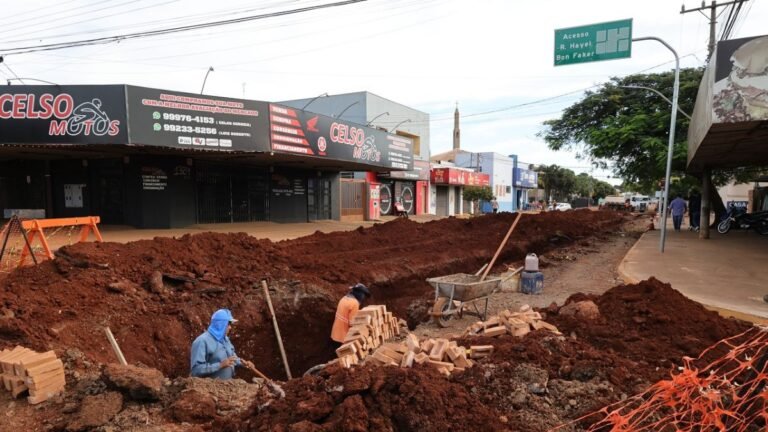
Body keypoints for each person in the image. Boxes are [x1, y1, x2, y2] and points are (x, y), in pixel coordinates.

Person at [190, 308, 252, 379]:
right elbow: (195, 370)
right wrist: (220, 365)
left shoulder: (225, 339)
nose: (230, 327)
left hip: (227, 386)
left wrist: (243, 363)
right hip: (209, 388)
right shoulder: (202, 341)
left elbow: (232, 358)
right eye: (228, 324)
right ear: (221, 324)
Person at [330, 283, 371, 349]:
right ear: (360, 294)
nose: (363, 298)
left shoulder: (344, 298)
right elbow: (352, 323)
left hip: (335, 334)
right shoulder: (354, 303)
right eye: (363, 296)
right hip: (343, 338)